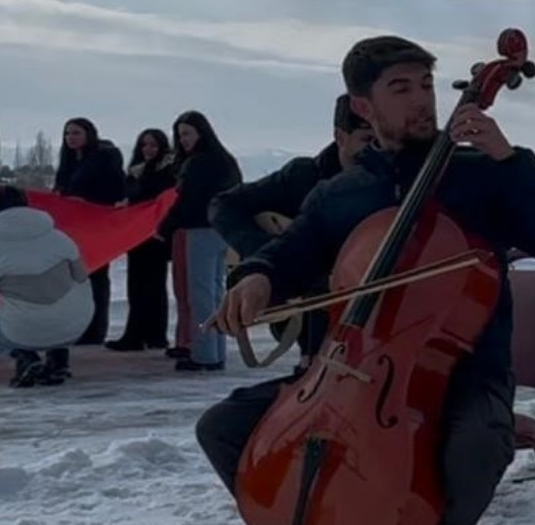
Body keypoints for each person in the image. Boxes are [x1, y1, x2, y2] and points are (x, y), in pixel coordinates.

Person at [198, 34, 535, 525]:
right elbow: (290, 253)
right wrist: (256, 277)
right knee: (224, 427)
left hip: (465, 373)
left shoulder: (481, 178)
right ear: (362, 106)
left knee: (474, 445)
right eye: (400, 89)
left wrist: (511, 160)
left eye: (426, 86)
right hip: (350, 375)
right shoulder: (343, 193)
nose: (421, 102)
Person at [208, 94, 375, 364]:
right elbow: (224, 204)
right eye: (366, 140)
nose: (377, 150)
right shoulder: (303, 175)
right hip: (312, 320)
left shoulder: (392, 177)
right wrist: (265, 257)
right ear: (340, 136)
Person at [0, 186, 95, 387]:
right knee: (52, 302)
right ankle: (58, 362)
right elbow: (82, 279)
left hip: (24, 331)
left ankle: (26, 357)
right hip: (76, 327)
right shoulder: (61, 240)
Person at [158, 110, 243, 371]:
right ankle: (215, 353)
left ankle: (205, 355)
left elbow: (185, 200)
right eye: (180, 134)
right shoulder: (225, 161)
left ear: (200, 133)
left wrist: (165, 225)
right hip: (221, 231)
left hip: (199, 230)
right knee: (214, 292)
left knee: (201, 294)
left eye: (186, 133)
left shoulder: (197, 164)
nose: (182, 140)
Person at [53, 117, 127, 346]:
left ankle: (95, 330)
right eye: (67, 134)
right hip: (72, 230)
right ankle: (77, 327)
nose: (71, 138)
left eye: (76, 133)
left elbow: (116, 191)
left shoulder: (104, 157)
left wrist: (85, 201)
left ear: (88, 134)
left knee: (95, 278)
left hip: (95, 227)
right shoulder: (68, 161)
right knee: (75, 280)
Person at [105, 128, 179, 352]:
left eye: (153, 145)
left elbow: (162, 199)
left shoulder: (166, 171)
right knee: (139, 285)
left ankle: (144, 335)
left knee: (151, 285)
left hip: (155, 235)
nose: (148, 150)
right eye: (144, 145)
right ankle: (145, 334)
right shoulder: (136, 172)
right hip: (138, 235)